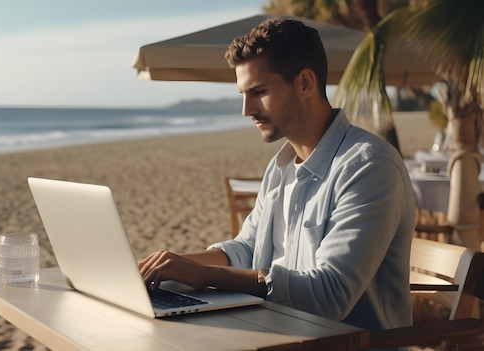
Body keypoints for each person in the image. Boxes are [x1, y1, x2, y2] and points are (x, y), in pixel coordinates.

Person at [138, 17, 416, 334]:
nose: (246, 110)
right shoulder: (281, 165)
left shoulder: (368, 165)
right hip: (276, 332)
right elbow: (246, 249)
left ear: (305, 83)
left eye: (258, 92)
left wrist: (205, 275)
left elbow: (329, 295)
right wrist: (167, 266)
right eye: (243, 94)